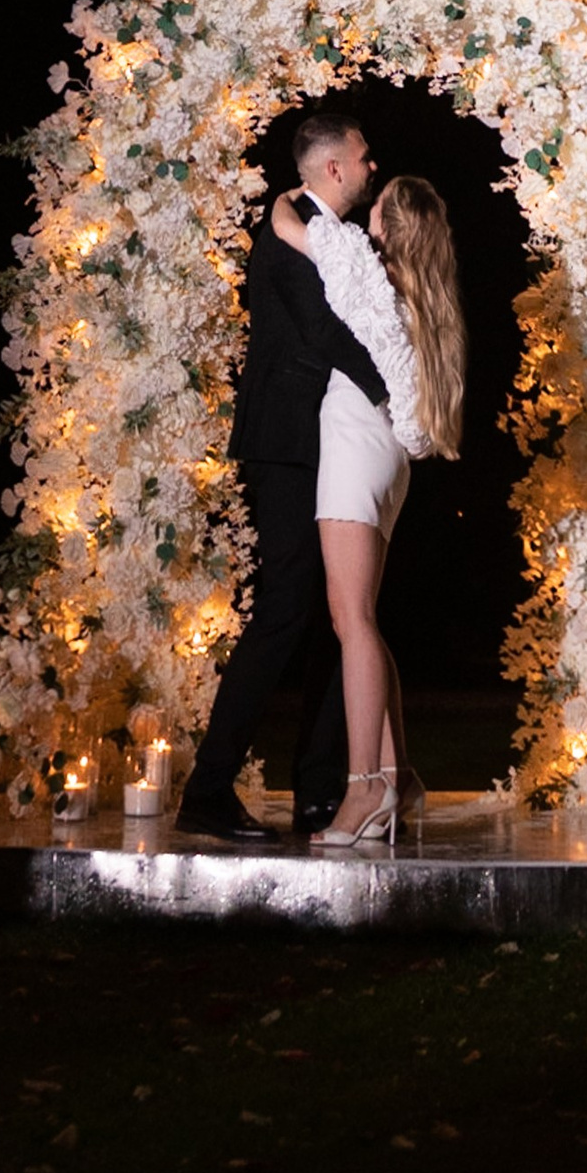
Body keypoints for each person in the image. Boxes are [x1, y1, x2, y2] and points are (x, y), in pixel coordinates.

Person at [172, 100, 392, 843]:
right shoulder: (292, 232)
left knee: (340, 615)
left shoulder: (327, 233)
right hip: (288, 443)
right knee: (286, 610)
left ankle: (318, 790)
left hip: (327, 441)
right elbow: (327, 331)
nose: (371, 165)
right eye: (362, 155)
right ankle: (208, 789)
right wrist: (396, 391)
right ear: (333, 166)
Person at [278, 166, 465, 848]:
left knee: (350, 621)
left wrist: (289, 194)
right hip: (388, 459)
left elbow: (289, 226)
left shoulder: (368, 272)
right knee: (363, 620)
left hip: (356, 444)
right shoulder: (421, 292)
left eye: (378, 205)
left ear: (391, 224)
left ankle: (363, 787)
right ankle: (397, 772)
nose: (368, 212)